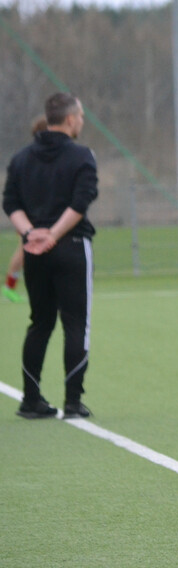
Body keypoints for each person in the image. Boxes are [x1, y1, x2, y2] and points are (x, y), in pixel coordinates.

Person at [3, 94, 98, 419]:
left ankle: (31, 400)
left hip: (34, 252)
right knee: (75, 324)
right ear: (70, 120)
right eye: (81, 116)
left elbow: (10, 202)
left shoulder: (21, 158)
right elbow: (81, 202)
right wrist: (53, 235)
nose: (82, 121)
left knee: (39, 323)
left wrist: (31, 234)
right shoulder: (82, 156)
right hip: (71, 246)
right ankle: (73, 402)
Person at [3, 116, 49, 305]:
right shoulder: (29, 158)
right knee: (25, 251)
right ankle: (9, 286)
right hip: (29, 215)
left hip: (35, 213)